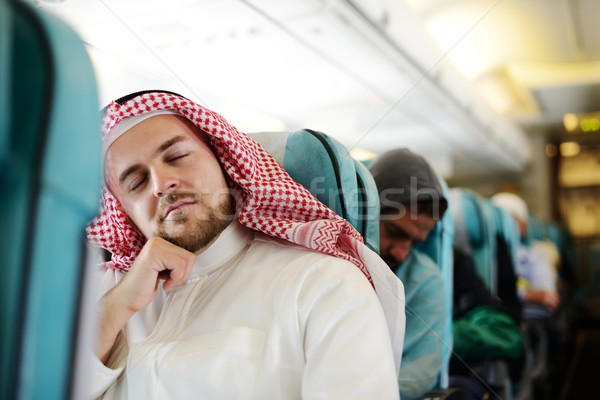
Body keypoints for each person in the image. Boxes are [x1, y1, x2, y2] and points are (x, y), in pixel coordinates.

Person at [85, 90, 405, 399]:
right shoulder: (108, 295)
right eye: (136, 182)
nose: (161, 183)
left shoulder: (325, 285)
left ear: (224, 162)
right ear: (123, 211)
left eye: (178, 157)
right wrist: (119, 305)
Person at [368, 148, 448, 400]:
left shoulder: (425, 281)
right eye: (395, 232)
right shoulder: (325, 263)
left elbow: (416, 377)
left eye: (414, 242)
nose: (402, 254)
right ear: (367, 213)